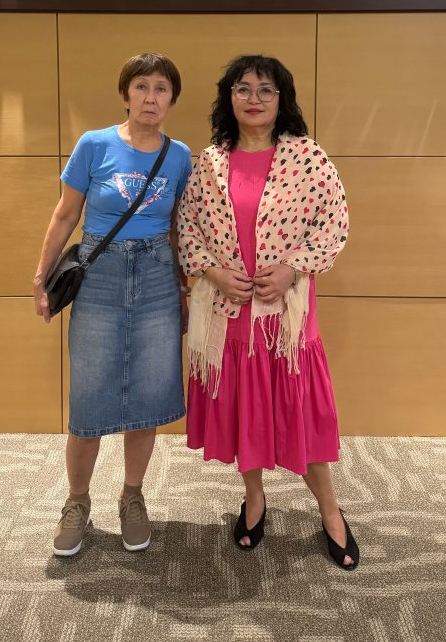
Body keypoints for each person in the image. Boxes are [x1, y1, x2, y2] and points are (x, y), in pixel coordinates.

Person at [177, 55, 358, 569]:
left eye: (265, 90)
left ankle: (330, 510)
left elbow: (334, 222)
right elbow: (187, 227)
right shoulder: (210, 162)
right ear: (228, 98)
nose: (253, 98)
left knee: (299, 410)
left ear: (282, 100)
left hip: (286, 317)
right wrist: (213, 272)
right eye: (243, 88)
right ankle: (254, 499)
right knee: (244, 408)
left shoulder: (307, 156)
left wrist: (293, 268)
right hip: (229, 313)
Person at [34, 53, 191, 557]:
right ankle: (77, 501)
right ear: (125, 95)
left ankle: (132, 496)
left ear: (171, 99)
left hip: (157, 277)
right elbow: (65, 215)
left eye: (161, 89)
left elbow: (178, 227)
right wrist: (41, 276)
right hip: (100, 275)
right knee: (89, 395)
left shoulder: (180, 156)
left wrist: (185, 287)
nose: (150, 98)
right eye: (141, 87)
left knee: (148, 395)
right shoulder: (94, 144)